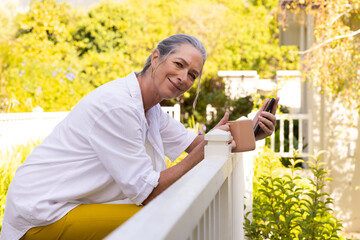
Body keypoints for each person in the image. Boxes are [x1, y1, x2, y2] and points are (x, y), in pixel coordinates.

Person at [0, 34, 278, 240]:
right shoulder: (119, 105)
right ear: (156, 57)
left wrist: (253, 132)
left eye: (192, 74)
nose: (183, 77)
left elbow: (199, 144)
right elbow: (148, 193)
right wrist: (198, 156)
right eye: (179, 64)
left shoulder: (151, 109)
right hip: (41, 215)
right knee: (160, 219)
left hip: (69, 206)